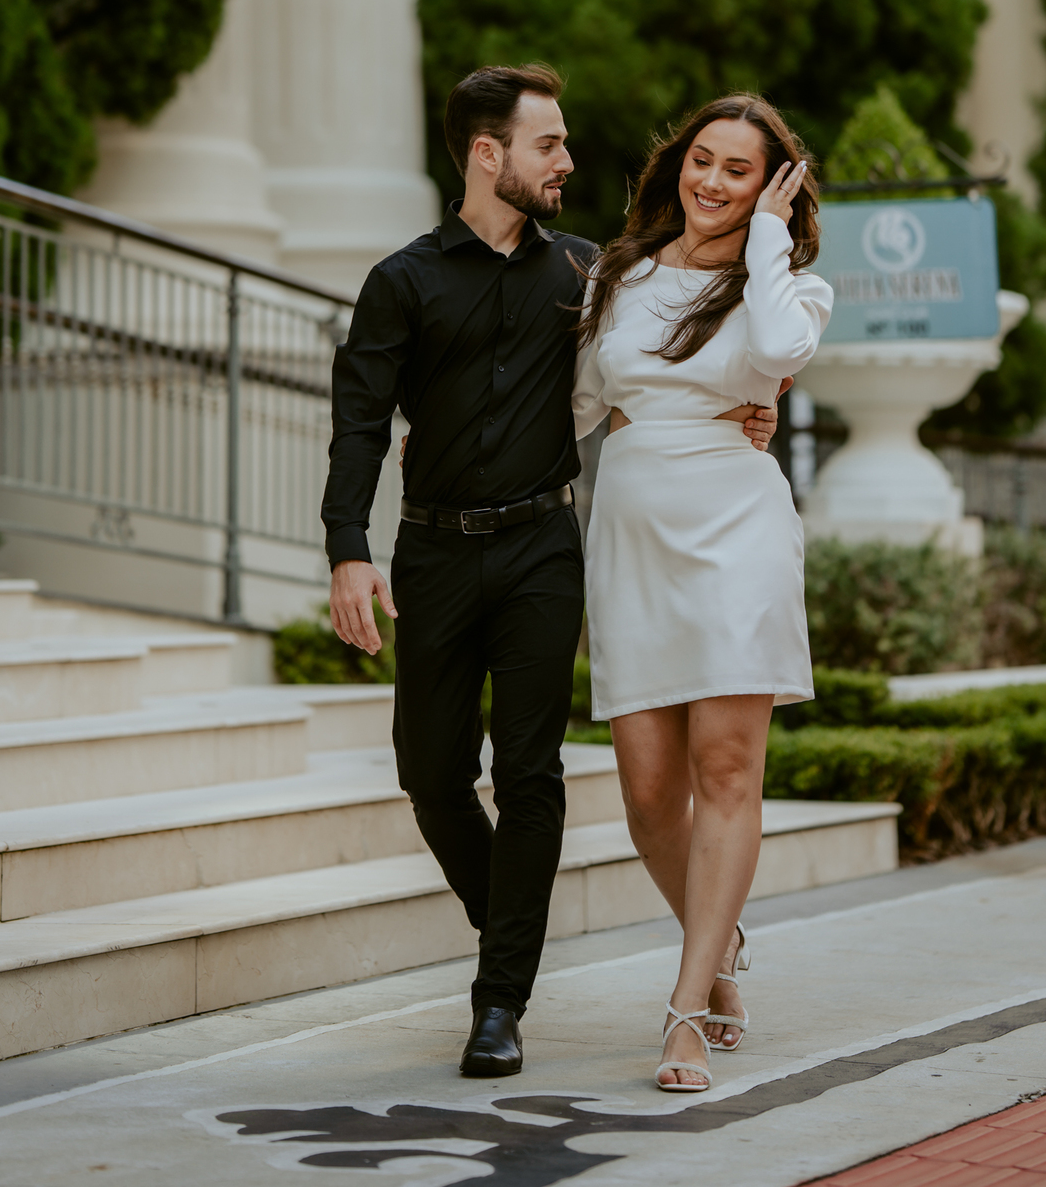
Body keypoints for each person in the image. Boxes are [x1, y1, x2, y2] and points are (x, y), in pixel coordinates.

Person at [322, 66, 779, 1078]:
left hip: (543, 549)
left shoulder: (588, 275)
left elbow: (677, 354)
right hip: (433, 550)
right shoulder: (402, 281)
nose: (568, 161)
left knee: (530, 772)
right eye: (549, 145)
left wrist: (760, 399)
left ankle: (500, 1003)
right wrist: (348, 549)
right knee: (430, 773)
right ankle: (513, 931)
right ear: (490, 156)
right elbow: (360, 423)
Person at [572, 94, 832, 1093]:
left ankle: (685, 1007)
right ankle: (715, 942)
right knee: (646, 791)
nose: (713, 182)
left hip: (739, 532)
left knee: (727, 772)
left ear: (772, 188)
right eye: (703, 161)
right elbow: (583, 404)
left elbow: (774, 356)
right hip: (634, 534)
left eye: (740, 171)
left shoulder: (794, 290)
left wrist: (768, 240)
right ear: (678, 164)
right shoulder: (620, 273)